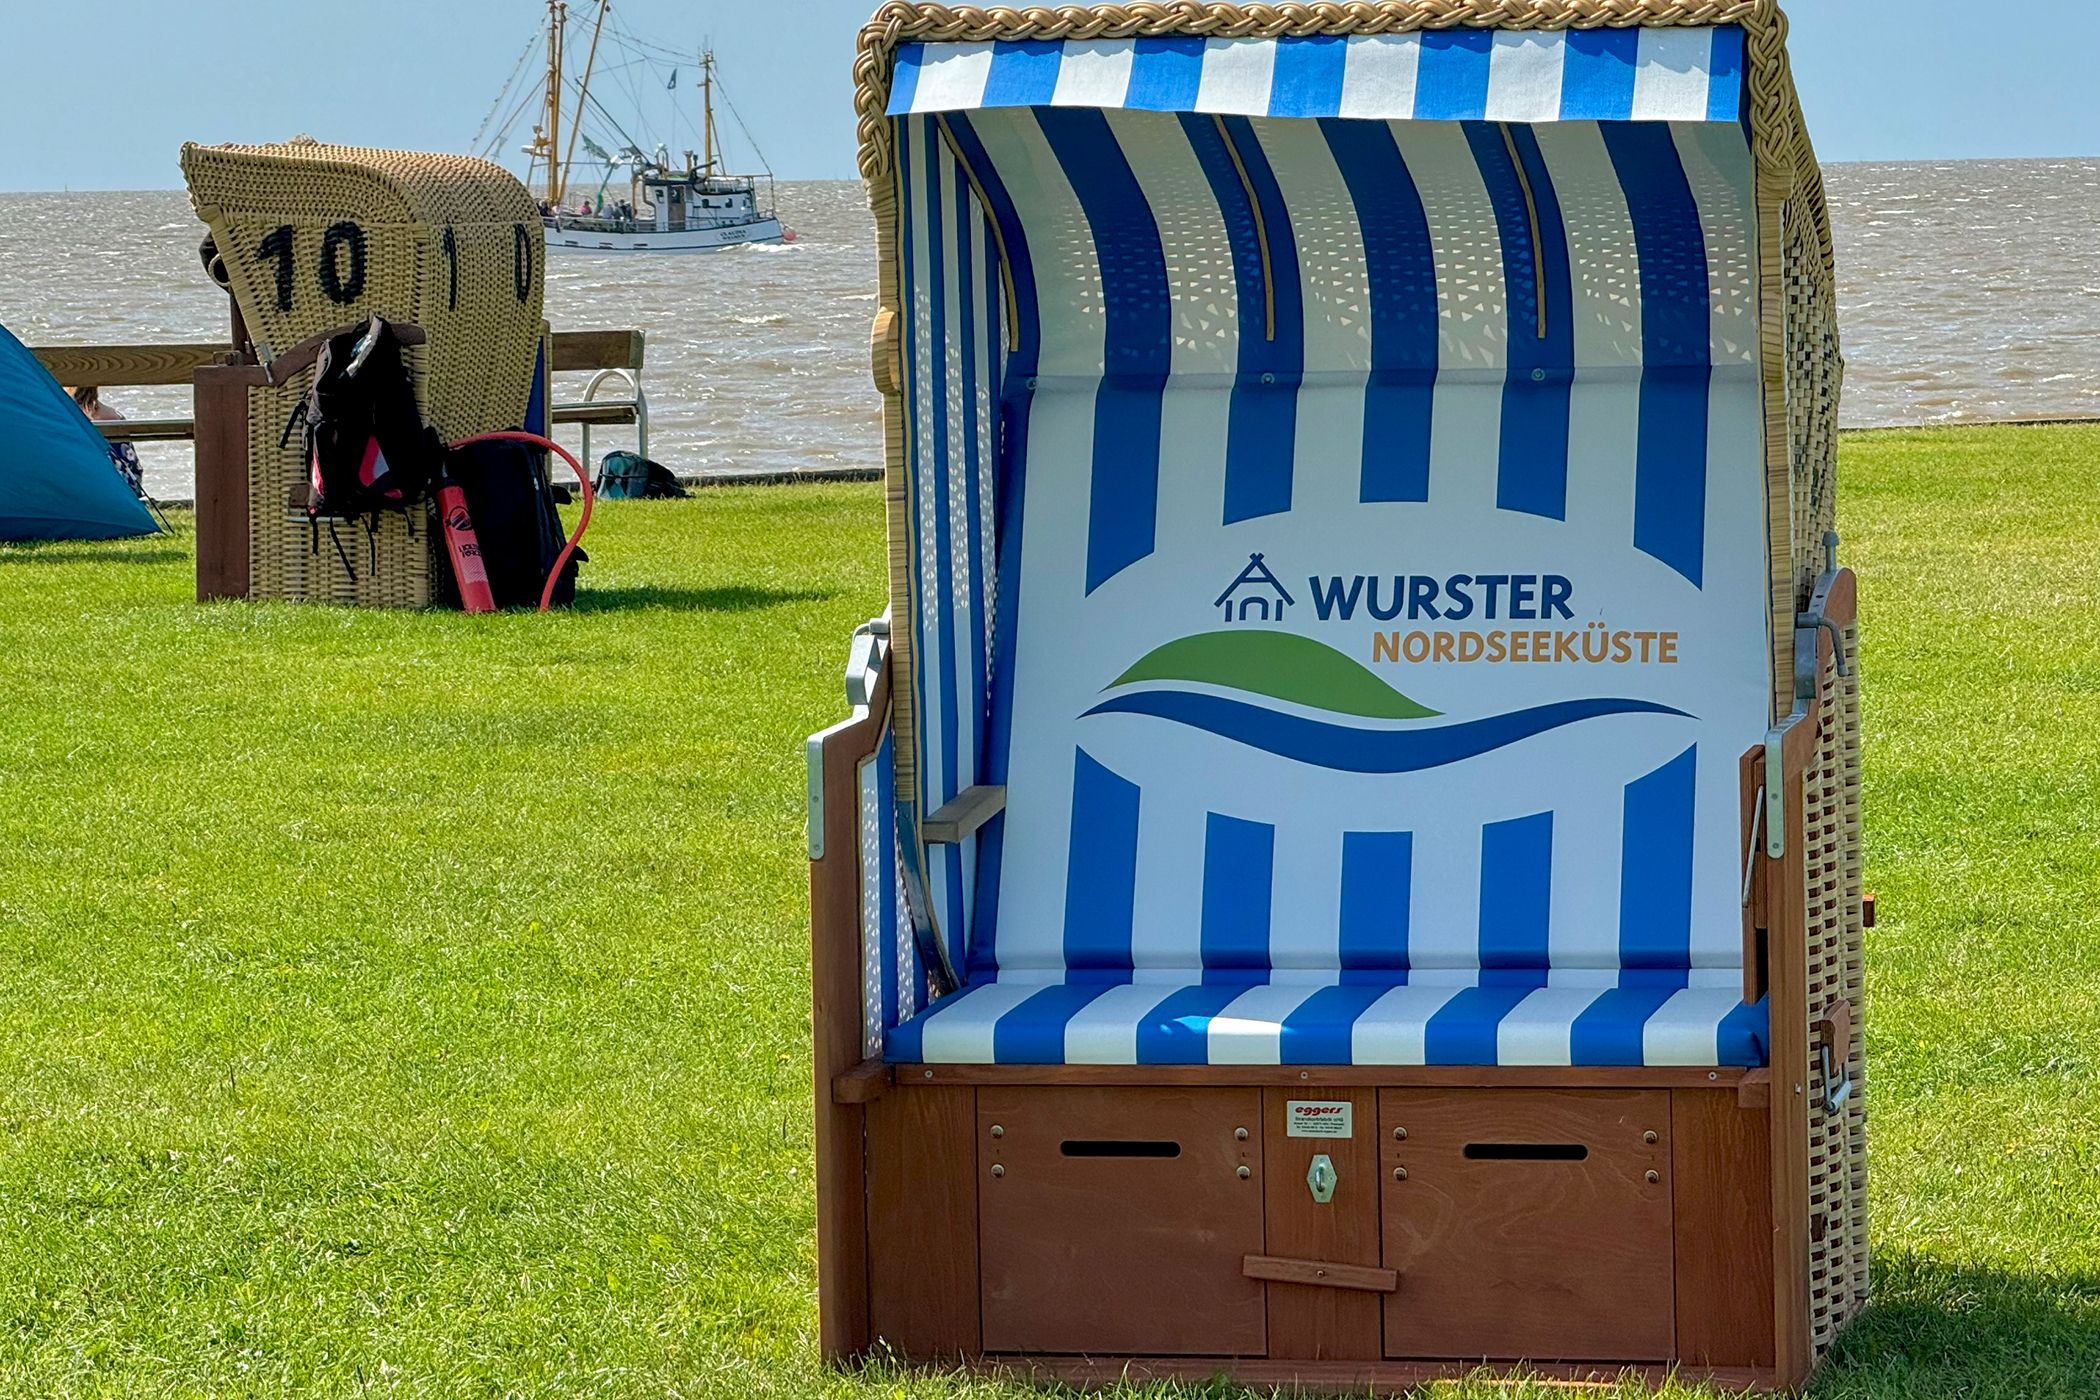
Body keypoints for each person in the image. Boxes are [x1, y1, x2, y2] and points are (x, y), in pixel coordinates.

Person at [69, 386, 146, 497]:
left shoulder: (64, 414)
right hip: (125, 488)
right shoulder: (115, 416)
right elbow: (131, 464)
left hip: (87, 487)